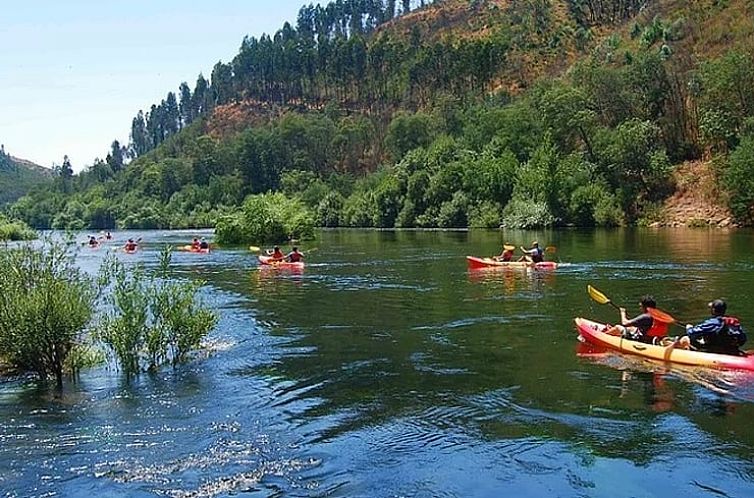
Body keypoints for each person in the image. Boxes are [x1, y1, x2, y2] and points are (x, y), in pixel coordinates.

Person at [676, 299, 747, 355]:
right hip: (731, 350)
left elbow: (691, 333)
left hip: (713, 351)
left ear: (713, 310)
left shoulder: (712, 323)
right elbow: (743, 339)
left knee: (685, 338)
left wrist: (689, 328)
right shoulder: (732, 322)